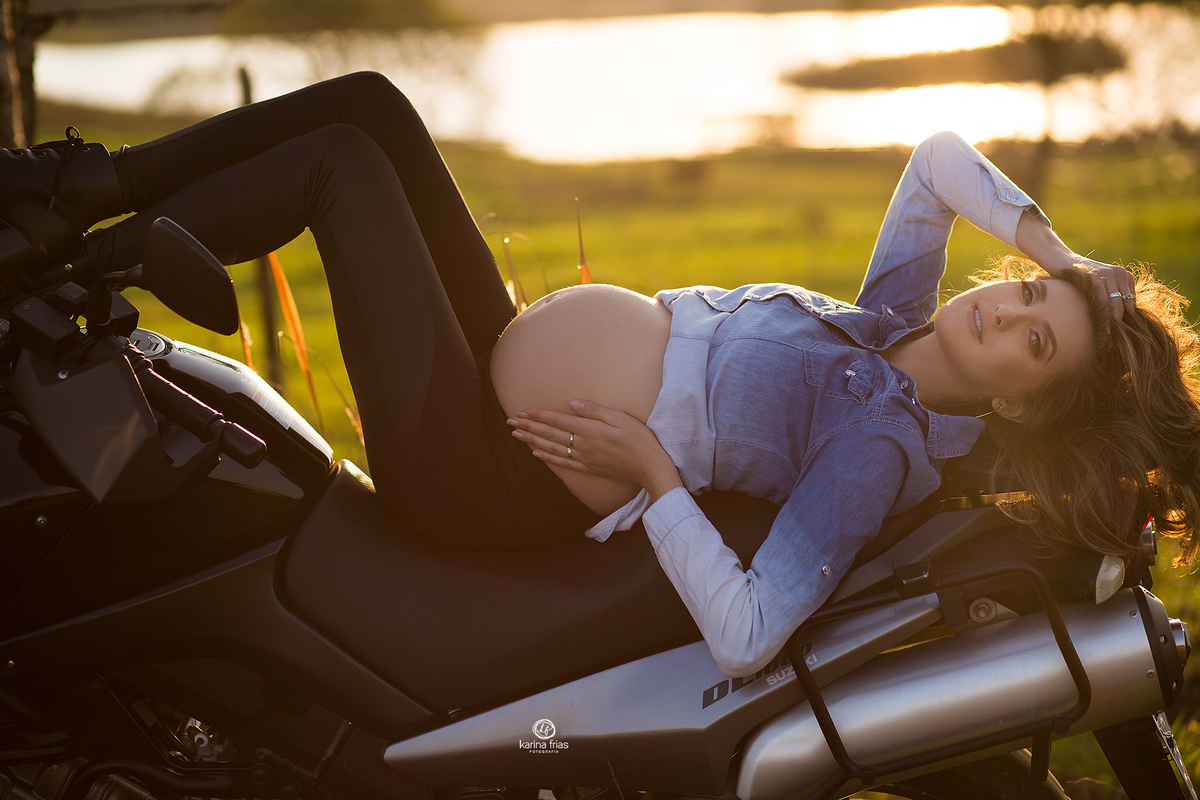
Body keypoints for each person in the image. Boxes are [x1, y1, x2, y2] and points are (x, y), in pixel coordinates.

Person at [2, 73, 1197, 678]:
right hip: (499, 361)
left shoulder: (878, 450)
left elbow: (750, 631)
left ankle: (73, 262)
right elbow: (938, 157)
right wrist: (1069, 256)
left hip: (476, 468)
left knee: (338, 170)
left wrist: (655, 478)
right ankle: (67, 193)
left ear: (1020, 401)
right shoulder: (895, 319)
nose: (1006, 308)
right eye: (1024, 295)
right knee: (375, 108)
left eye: (1031, 341)